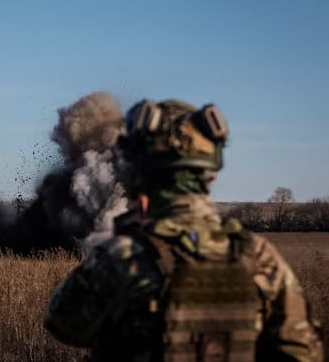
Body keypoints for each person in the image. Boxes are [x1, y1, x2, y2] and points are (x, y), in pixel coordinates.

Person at [44, 99, 324, 361]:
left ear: (137, 172)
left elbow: (63, 324)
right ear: (210, 173)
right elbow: (303, 351)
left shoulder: (120, 258)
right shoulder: (260, 258)